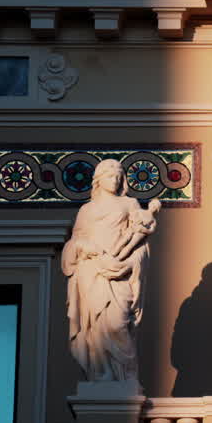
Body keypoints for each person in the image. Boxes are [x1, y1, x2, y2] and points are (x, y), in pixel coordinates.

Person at [62, 159, 161, 382]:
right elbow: (74, 244)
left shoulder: (130, 204)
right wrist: (86, 248)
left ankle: (125, 377)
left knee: (118, 324)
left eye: (118, 176)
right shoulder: (86, 210)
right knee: (95, 329)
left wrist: (129, 264)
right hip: (92, 271)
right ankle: (101, 374)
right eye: (109, 175)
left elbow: (141, 247)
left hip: (120, 273)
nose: (115, 179)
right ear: (98, 179)